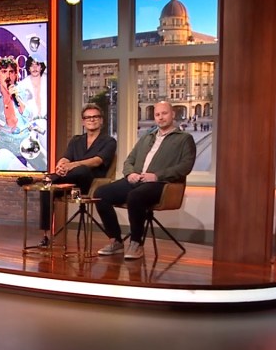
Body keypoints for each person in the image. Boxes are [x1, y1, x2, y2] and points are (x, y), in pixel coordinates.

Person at [94, 101, 195, 260]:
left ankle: (136, 243)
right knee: (101, 193)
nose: (160, 117)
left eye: (164, 113)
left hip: (161, 184)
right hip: (137, 180)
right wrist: (130, 174)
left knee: (135, 196)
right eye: (157, 114)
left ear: (173, 114)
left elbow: (185, 166)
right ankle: (115, 241)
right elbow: (129, 160)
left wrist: (157, 176)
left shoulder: (184, 138)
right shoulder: (146, 137)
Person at [36, 104, 117, 242]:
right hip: (70, 183)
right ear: (83, 122)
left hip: (91, 184)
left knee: (82, 169)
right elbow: (66, 157)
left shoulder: (109, 141)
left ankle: (49, 178)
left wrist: (72, 165)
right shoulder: (76, 140)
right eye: (88, 117)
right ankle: (46, 235)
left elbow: (97, 161)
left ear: (101, 120)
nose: (92, 120)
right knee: (46, 189)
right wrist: (61, 165)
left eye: (95, 117)